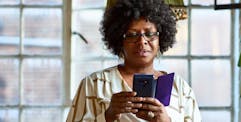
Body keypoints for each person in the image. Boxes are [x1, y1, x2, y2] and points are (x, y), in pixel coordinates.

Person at [66, 0, 201, 121]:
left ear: (161, 38)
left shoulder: (181, 89)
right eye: (132, 35)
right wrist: (107, 116)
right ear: (119, 40)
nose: (142, 41)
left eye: (149, 34)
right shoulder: (94, 84)